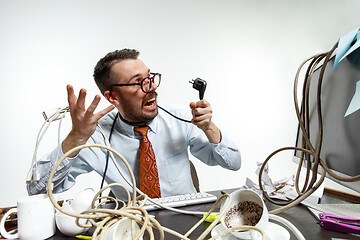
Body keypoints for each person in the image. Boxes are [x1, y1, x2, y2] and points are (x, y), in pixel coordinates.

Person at [27, 49, 241, 199]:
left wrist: (210, 128)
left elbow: (234, 163)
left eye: (150, 78)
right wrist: (75, 138)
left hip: (186, 219)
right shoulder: (95, 134)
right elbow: (36, 189)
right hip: (133, 225)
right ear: (113, 97)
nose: (151, 88)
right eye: (138, 82)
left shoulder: (181, 117)